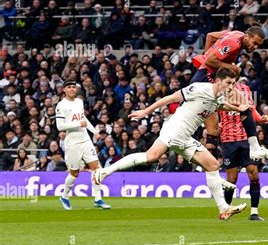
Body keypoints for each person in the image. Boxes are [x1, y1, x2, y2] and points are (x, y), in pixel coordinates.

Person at [95, 69, 248, 220]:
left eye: (233, 84)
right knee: (151, 157)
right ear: (218, 80)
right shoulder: (200, 88)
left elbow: (221, 105)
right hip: (175, 129)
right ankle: (105, 171)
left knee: (213, 165)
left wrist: (237, 108)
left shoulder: (219, 97)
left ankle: (224, 209)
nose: (231, 87)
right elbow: (171, 98)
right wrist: (145, 111)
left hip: (185, 136)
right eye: (228, 82)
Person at [191, 27, 268, 160]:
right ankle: (254, 148)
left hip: (206, 77)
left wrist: (206, 54)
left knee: (213, 130)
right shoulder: (234, 43)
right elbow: (210, 60)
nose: (254, 47)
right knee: (242, 103)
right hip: (205, 78)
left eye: (258, 45)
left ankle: (211, 172)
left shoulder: (237, 33)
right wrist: (230, 67)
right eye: (254, 43)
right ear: (247, 36)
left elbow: (210, 35)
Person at [56, 79, 111, 210]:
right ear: (64, 90)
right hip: (72, 143)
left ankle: (98, 199)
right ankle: (64, 196)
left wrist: (95, 131)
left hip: (85, 140)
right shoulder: (61, 105)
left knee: (96, 168)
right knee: (74, 173)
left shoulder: (79, 102)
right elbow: (60, 126)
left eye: (73, 87)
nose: (71, 89)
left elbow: (83, 119)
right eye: (69, 87)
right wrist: (78, 124)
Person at [219, 81, 268, 221]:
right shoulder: (220, 89)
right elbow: (212, 109)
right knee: (231, 179)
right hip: (229, 140)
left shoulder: (244, 88)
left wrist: (260, 118)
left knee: (254, 175)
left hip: (247, 139)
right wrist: (215, 123)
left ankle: (254, 213)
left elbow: (251, 108)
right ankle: (226, 210)